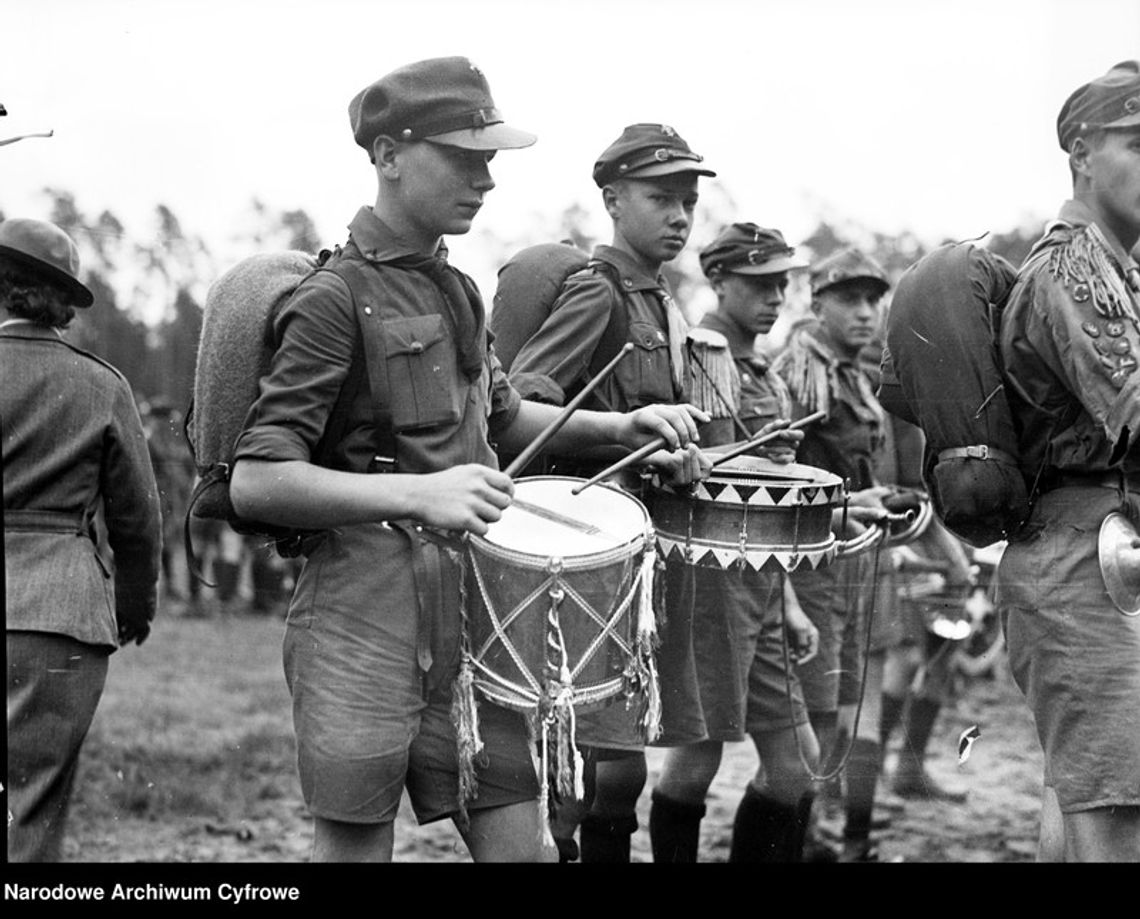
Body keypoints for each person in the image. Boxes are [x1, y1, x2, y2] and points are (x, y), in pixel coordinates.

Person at [228, 59, 709, 864]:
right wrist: (421, 493)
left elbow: (506, 414)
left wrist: (624, 424)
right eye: (462, 157)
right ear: (387, 156)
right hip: (362, 608)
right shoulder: (332, 298)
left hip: (478, 608)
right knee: (354, 845)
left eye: (488, 159)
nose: (485, 179)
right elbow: (257, 478)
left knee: (523, 841)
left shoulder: (456, 289)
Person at [499, 123, 731, 863]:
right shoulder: (598, 294)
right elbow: (522, 417)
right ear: (611, 199)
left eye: (689, 201)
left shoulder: (657, 301)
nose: (680, 216)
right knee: (592, 766)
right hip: (578, 556)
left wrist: (667, 455)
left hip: (631, 556)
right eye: (661, 197)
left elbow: (641, 434)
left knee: (615, 762)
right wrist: (627, 435)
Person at [996, 59, 1140, 862]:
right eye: (1137, 143)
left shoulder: (1121, 271)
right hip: (1084, 560)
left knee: (1085, 803)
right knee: (1114, 820)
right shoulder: (1075, 267)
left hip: (1098, 554)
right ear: (1082, 153)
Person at [647, 223, 821, 863]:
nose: (775, 297)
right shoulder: (703, 352)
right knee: (698, 755)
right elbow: (693, 473)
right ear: (718, 280)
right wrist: (762, 460)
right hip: (713, 577)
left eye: (782, 283)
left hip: (762, 580)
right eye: (759, 283)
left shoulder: (754, 363)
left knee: (797, 762)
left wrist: (792, 603)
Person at [3, 217, 162, 862]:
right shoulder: (103, 385)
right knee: (32, 810)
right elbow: (138, 519)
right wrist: (133, 609)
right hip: (60, 618)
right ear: (64, 302)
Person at [771, 246, 894, 862]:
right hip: (813, 559)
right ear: (816, 303)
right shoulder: (801, 371)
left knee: (846, 703)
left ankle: (839, 838)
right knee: (817, 712)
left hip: (855, 553)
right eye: (850, 299)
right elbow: (778, 470)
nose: (867, 313)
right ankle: (806, 839)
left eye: (874, 300)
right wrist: (845, 502)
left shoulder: (851, 371)